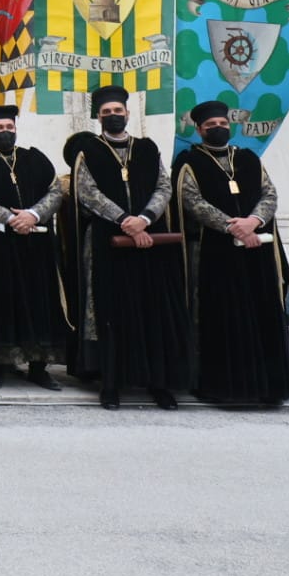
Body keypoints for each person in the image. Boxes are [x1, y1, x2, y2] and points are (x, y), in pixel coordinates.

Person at [66, 87, 187, 410]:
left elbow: (163, 186)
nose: (113, 116)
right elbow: (87, 192)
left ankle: (159, 383)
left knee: (153, 311)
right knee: (112, 312)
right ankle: (111, 383)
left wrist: (145, 219)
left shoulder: (147, 148)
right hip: (109, 241)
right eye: (106, 113)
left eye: (118, 111)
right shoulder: (88, 151)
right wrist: (124, 220)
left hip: (150, 240)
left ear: (128, 113)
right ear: (98, 117)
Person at [172, 100, 289, 406]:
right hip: (215, 252)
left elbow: (270, 193)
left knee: (262, 313)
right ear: (200, 130)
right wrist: (232, 226)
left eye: (222, 124)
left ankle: (269, 387)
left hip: (258, 250)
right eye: (210, 126)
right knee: (222, 317)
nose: (218, 129)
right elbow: (191, 201)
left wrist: (253, 221)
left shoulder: (250, 159)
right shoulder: (189, 162)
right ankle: (223, 387)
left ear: (230, 126)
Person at [0, 105, 68, 391]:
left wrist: (32, 215)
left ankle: (39, 367)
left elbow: (55, 191)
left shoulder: (35, 159)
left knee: (38, 302)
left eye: (9, 127)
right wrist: (10, 217)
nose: (5, 132)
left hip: (36, 243)